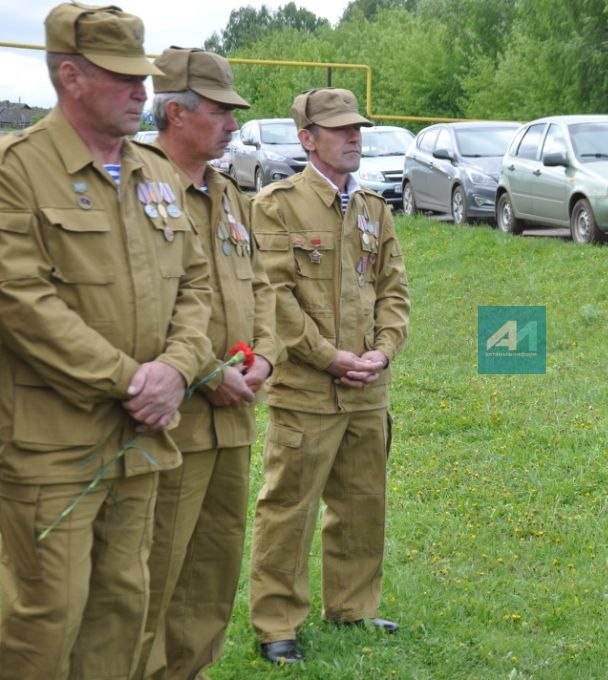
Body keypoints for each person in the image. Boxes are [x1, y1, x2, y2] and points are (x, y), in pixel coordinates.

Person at [0, 4, 212, 679]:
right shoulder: (18, 169)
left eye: (143, 78)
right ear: (71, 76)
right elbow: (21, 302)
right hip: (52, 443)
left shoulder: (153, 174)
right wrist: (131, 380)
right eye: (123, 78)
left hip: (140, 437)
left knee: (123, 604)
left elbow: (196, 286)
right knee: (46, 613)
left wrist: (177, 371)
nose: (141, 94)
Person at [247, 87, 410, 665]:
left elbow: (393, 289)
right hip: (307, 388)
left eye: (357, 128)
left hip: (367, 387)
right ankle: (275, 624)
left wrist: (382, 353)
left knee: (363, 502)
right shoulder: (275, 205)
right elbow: (273, 296)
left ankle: (353, 607)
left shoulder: (374, 207)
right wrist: (328, 356)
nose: (353, 137)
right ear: (307, 138)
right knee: (289, 506)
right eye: (340, 129)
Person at [133, 47, 278, 680]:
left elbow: (263, 287)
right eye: (221, 111)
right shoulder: (136, 184)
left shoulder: (227, 193)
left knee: (212, 573)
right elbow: (129, 304)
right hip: (170, 426)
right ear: (176, 112)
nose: (234, 124)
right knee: (150, 577)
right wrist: (202, 372)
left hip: (232, 423)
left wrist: (265, 358)